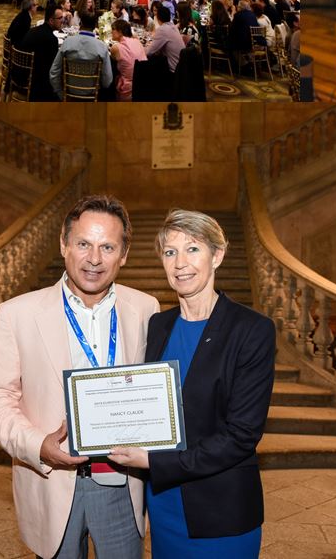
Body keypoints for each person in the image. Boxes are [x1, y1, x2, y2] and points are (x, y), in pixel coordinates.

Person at [0, 195, 159, 559]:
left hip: (123, 484)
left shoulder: (145, 308)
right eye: (83, 244)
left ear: (123, 254)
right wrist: (37, 445)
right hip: (51, 483)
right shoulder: (16, 314)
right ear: (64, 245)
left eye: (108, 247)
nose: (94, 259)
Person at [109, 210, 275, 558]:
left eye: (193, 249)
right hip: (163, 504)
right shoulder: (159, 325)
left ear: (218, 255)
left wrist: (154, 462)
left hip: (221, 511)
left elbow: (242, 435)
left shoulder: (251, 329)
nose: (180, 263)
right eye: (170, 252)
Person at [50, 9, 113, 97]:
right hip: (92, 94)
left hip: (68, 92)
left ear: (80, 23)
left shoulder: (68, 43)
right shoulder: (102, 47)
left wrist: (59, 92)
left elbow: (54, 71)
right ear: (96, 25)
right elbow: (107, 81)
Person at [19, 3, 64, 101]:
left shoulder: (33, 30)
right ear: (51, 21)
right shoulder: (51, 39)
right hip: (33, 84)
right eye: (60, 18)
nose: (62, 20)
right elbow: (53, 68)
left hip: (20, 75)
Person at [110, 19, 147, 101]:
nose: (111, 32)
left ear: (120, 32)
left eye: (113, 29)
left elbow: (112, 60)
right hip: (143, 84)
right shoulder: (138, 42)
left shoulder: (116, 47)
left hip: (127, 89)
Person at [146, 0, 184, 72]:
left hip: (173, 69)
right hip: (181, 66)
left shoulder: (163, 29)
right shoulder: (173, 26)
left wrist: (140, 48)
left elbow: (149, 52)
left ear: (158, 17)